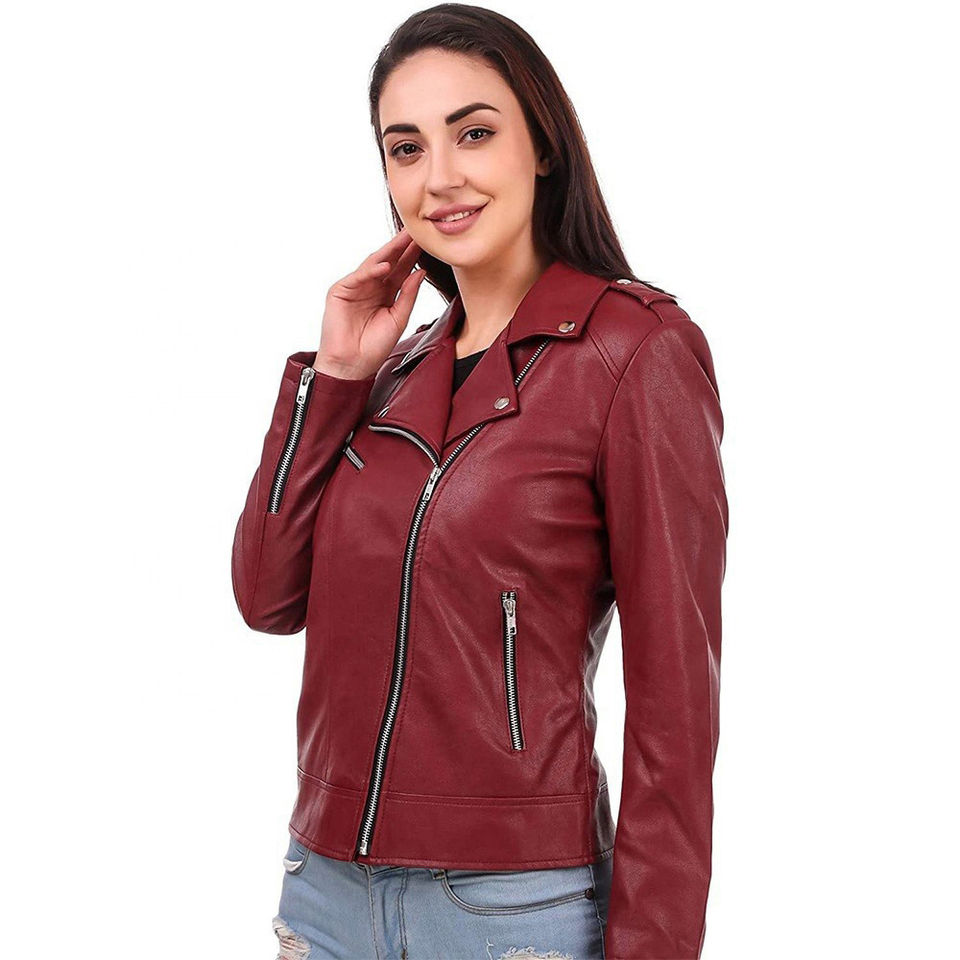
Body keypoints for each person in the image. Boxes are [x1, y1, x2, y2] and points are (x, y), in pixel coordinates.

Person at [231, 5, 728, 958]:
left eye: (473, 133)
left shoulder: (635, 352)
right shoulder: (391, 370)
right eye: (405, 148)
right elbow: (267, 596)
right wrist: (334, 381)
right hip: (323, 894)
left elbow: (676, 705)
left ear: (543, 144)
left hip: (509, 911)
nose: (439, 177)